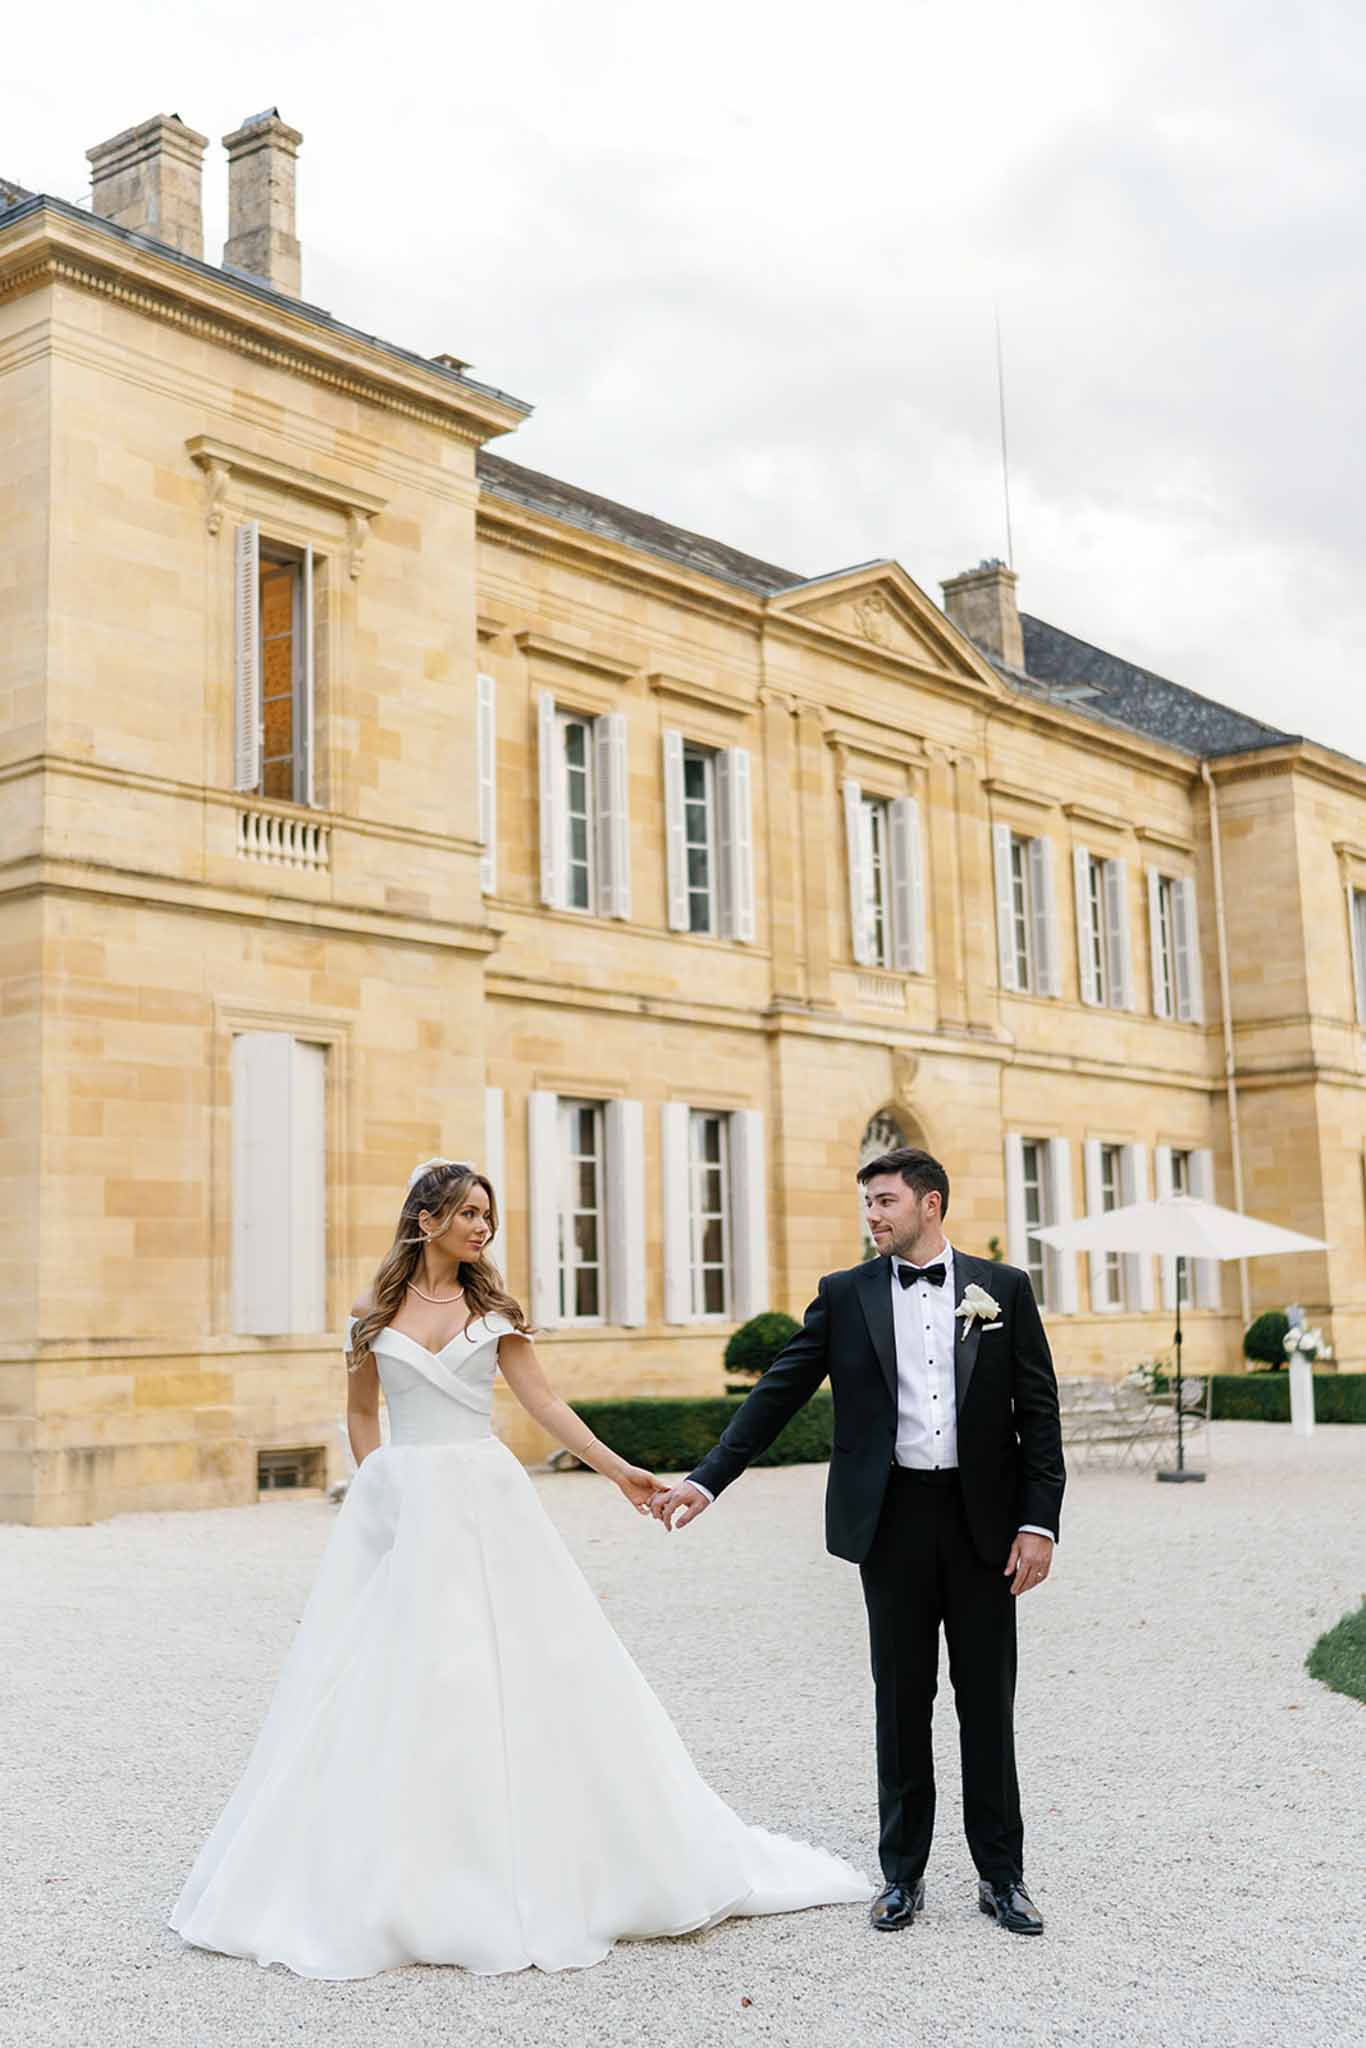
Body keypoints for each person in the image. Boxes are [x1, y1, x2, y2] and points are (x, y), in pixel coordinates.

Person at [170, 1158, 870, 1979]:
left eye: (487, 1217)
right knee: (396, 1676)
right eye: (468, 1213)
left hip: (487, 1499)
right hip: (408, 1506)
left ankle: (528, 1860)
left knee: (519, 1666)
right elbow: (363, 1413)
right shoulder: (370, 1313)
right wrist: (380, 1489)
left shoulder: (491, 1310)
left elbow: (545, 1405)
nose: (481, 1228)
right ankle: (399, 1865)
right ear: (425, 1217)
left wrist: (620, 1471)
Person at [652, 1146, 1065, 1938]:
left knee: (988, 1703)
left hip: (985, 1525)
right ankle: (902, 1877)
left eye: (883, 1201)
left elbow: (1037, 1414)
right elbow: (777, 1392)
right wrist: (707, 1479)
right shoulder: (845, 1296)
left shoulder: (1003, 1289)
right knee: (901, 1701)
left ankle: (1002, 1877)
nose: (871, 1216)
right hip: (892, 1522)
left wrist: (1038, 1522)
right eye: (866, 1204)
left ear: (930, 1204)